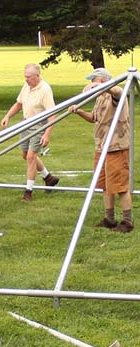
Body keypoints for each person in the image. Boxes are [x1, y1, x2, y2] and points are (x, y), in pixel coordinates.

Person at [68, 68, 133, 233]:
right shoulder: (100, 98)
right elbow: (94, 118)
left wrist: (102, 86)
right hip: (101, 147)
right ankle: (109, 219)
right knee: (104, 185)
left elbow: (118, 90)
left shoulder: (115, 95)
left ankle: (127, 221)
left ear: (103, 81)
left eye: (94, 81)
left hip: (116, 147)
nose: (91, 84)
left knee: (120, 186)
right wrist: (80, 111)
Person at [1, 63, 60, 201]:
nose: (26, 79)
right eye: (25, 77)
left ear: (37, 76)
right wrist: (7, 116)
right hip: (26, 123)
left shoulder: (45, 89)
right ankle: (48, 178)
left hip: (39, 125)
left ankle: (28, 192)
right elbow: (18, 103)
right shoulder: (26, 86)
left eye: (29, 77)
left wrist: (47, 134)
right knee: (25, 154)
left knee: (31, 157)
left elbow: (53, 114)